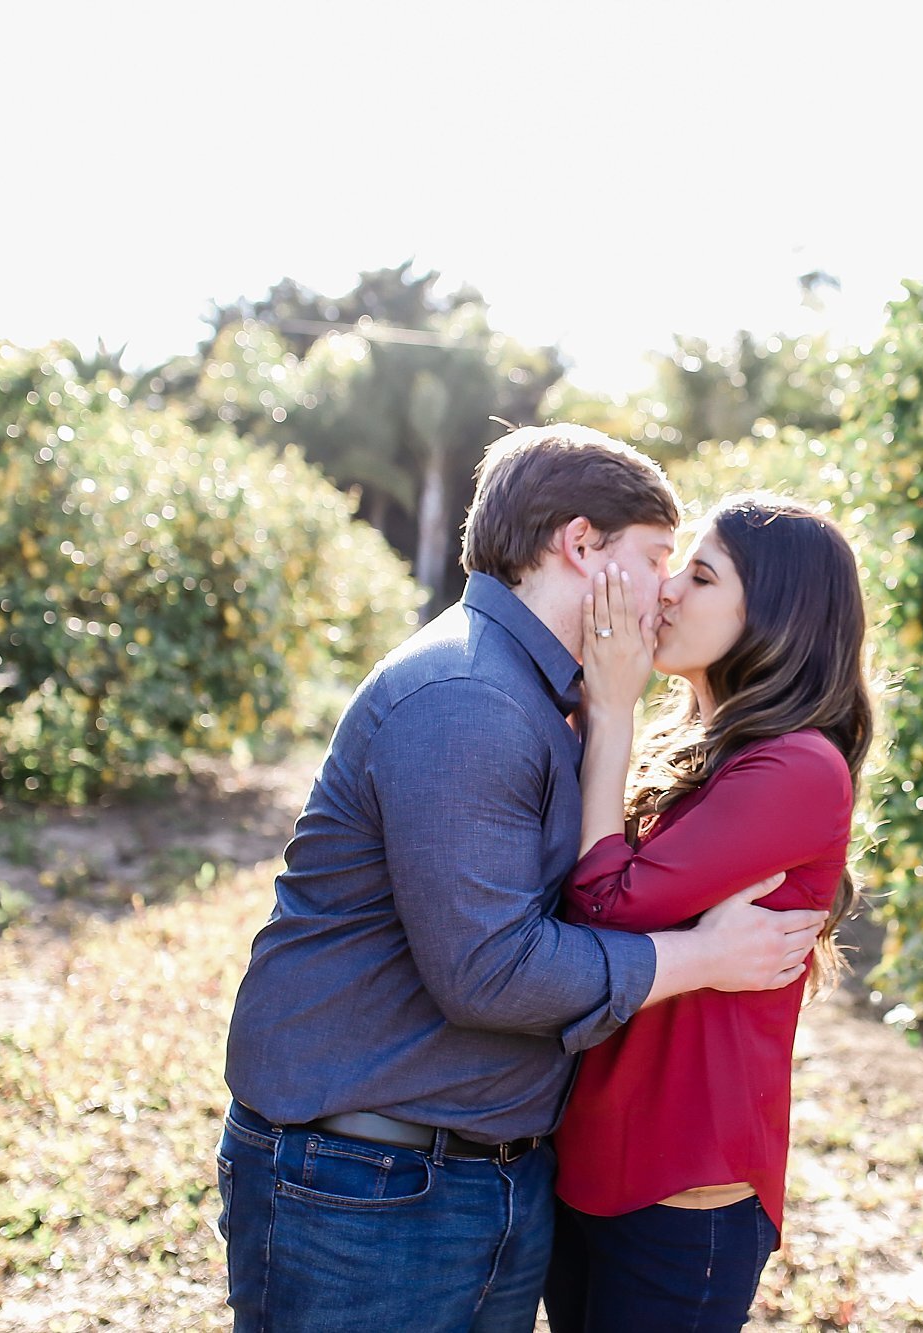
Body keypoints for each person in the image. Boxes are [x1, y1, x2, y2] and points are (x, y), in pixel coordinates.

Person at [216, 427, 830, 1333]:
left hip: (462, 1175)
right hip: (368, 1185)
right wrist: (698, 956)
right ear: (580, 545)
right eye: (658, 557)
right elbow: (490, 972)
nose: (667, 588)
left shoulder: (546, 694)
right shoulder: (469, 697)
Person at [542, 494, 874, 1332]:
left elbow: (605, 905)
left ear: (776, 614)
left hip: (681, 1191)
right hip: (593, 1157)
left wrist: (612, 709)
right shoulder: (698, 749)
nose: (667, 592)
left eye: (701, 573)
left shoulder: (798, 766)